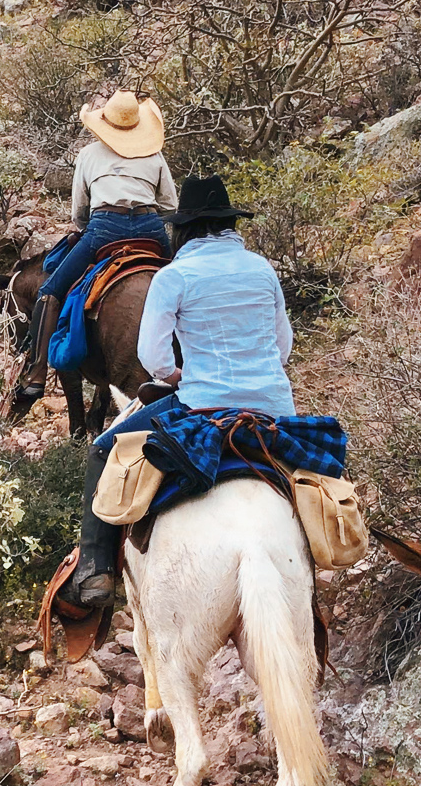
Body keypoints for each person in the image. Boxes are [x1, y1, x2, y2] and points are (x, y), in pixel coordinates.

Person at [57, 174, 295, 616]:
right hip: (274, 408)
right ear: (229, 224)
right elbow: (283, 348)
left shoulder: (175, 276)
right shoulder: (263, 270)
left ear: (182, 228)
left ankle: (94, 571)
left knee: (102, 449)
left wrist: (181, 374)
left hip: (202, 403)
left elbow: (153, 358)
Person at [26, 91, 178, 379]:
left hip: (105, 228)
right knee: (191, 286)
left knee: (50, 291)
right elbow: (170, 206)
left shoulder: (88, 154)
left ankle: (35, 373)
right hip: (151, 230)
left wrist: (87, 226)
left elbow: (79, 212)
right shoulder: (154, 155)